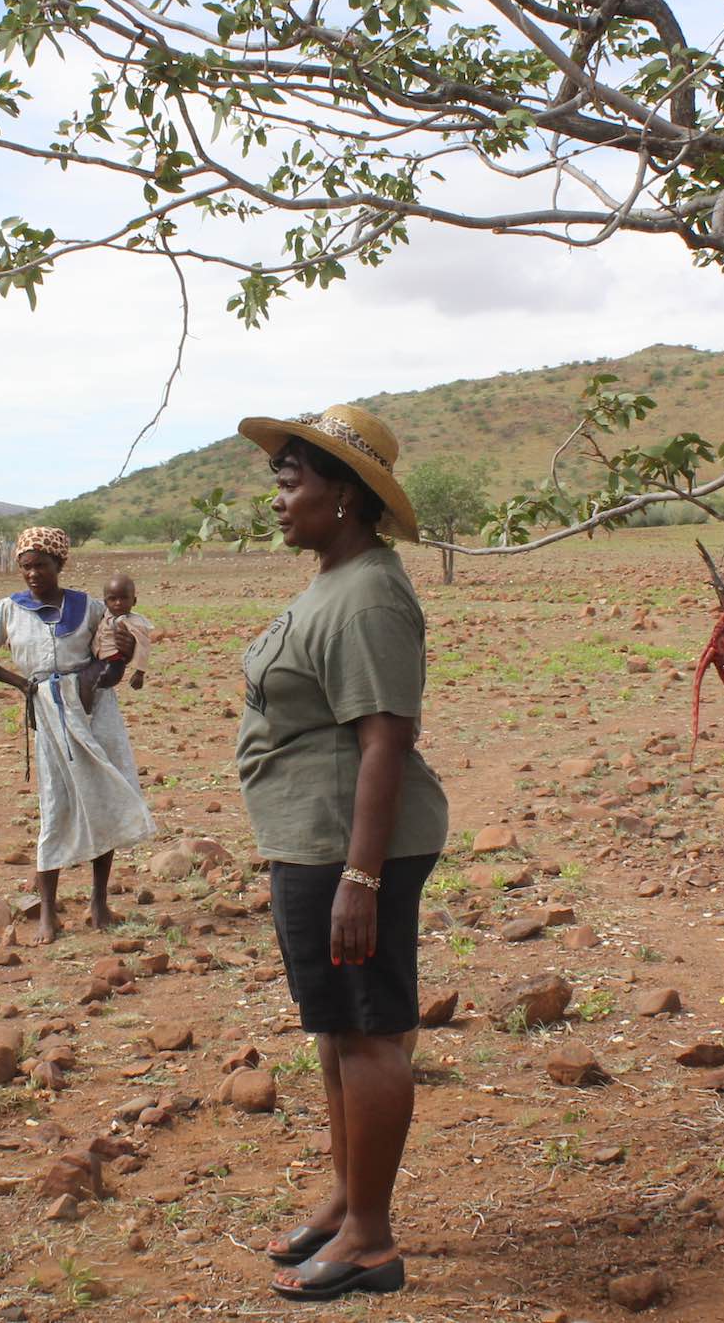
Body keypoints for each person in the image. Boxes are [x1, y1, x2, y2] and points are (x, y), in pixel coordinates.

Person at [233, 405, 446, 1303]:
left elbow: (385, 740)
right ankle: (348, 1199)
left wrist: (359, 876)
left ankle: (371, 1241)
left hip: (348, 847)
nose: (278, 499)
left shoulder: (367, 595)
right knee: (339, 1027)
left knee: (366, 1031)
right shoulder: (334, 578)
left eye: (293, 483)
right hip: (313, 838)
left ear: (346, 497)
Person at [0, 527, 156, 941]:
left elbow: (114, 666)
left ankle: (99, 903)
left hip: (94, 712)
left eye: (41, 566)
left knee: (101, 797)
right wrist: (20, 684)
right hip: (50, 714)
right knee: (56, 806)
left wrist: (118, 657)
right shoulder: (6, 612)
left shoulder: (89, 608)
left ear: (60, 564)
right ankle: (48, 912)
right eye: (26, 567)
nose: (32, 574)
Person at [79, 571, 151, 715]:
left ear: (134, 601)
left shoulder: (133, 622)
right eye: (113, 599)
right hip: (99, 660)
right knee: (80, 679)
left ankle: (86, 717)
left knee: (86, 682)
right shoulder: (106, 614)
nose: (118, 603)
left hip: (112, 665)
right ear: (105, 602)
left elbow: (143, 646)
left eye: (124, 598)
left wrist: (139, 672)